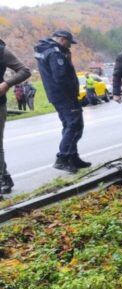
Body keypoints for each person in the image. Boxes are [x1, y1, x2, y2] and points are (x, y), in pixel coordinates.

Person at [35, 30, 91, 173]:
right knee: (75, 125)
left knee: (69, 125)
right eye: (69, 43)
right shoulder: (55, 54)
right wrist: (72, 94)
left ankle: (73, 157)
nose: (70, 46)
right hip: (65, 95)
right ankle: (63, 158)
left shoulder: (46, 50)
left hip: (57, 95)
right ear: (62, 39)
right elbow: (61, 77)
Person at [0, 39, 31, 195]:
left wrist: (6, 84)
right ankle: (4, 177)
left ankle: (2, 179)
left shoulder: (2, 51)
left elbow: (24, 71)